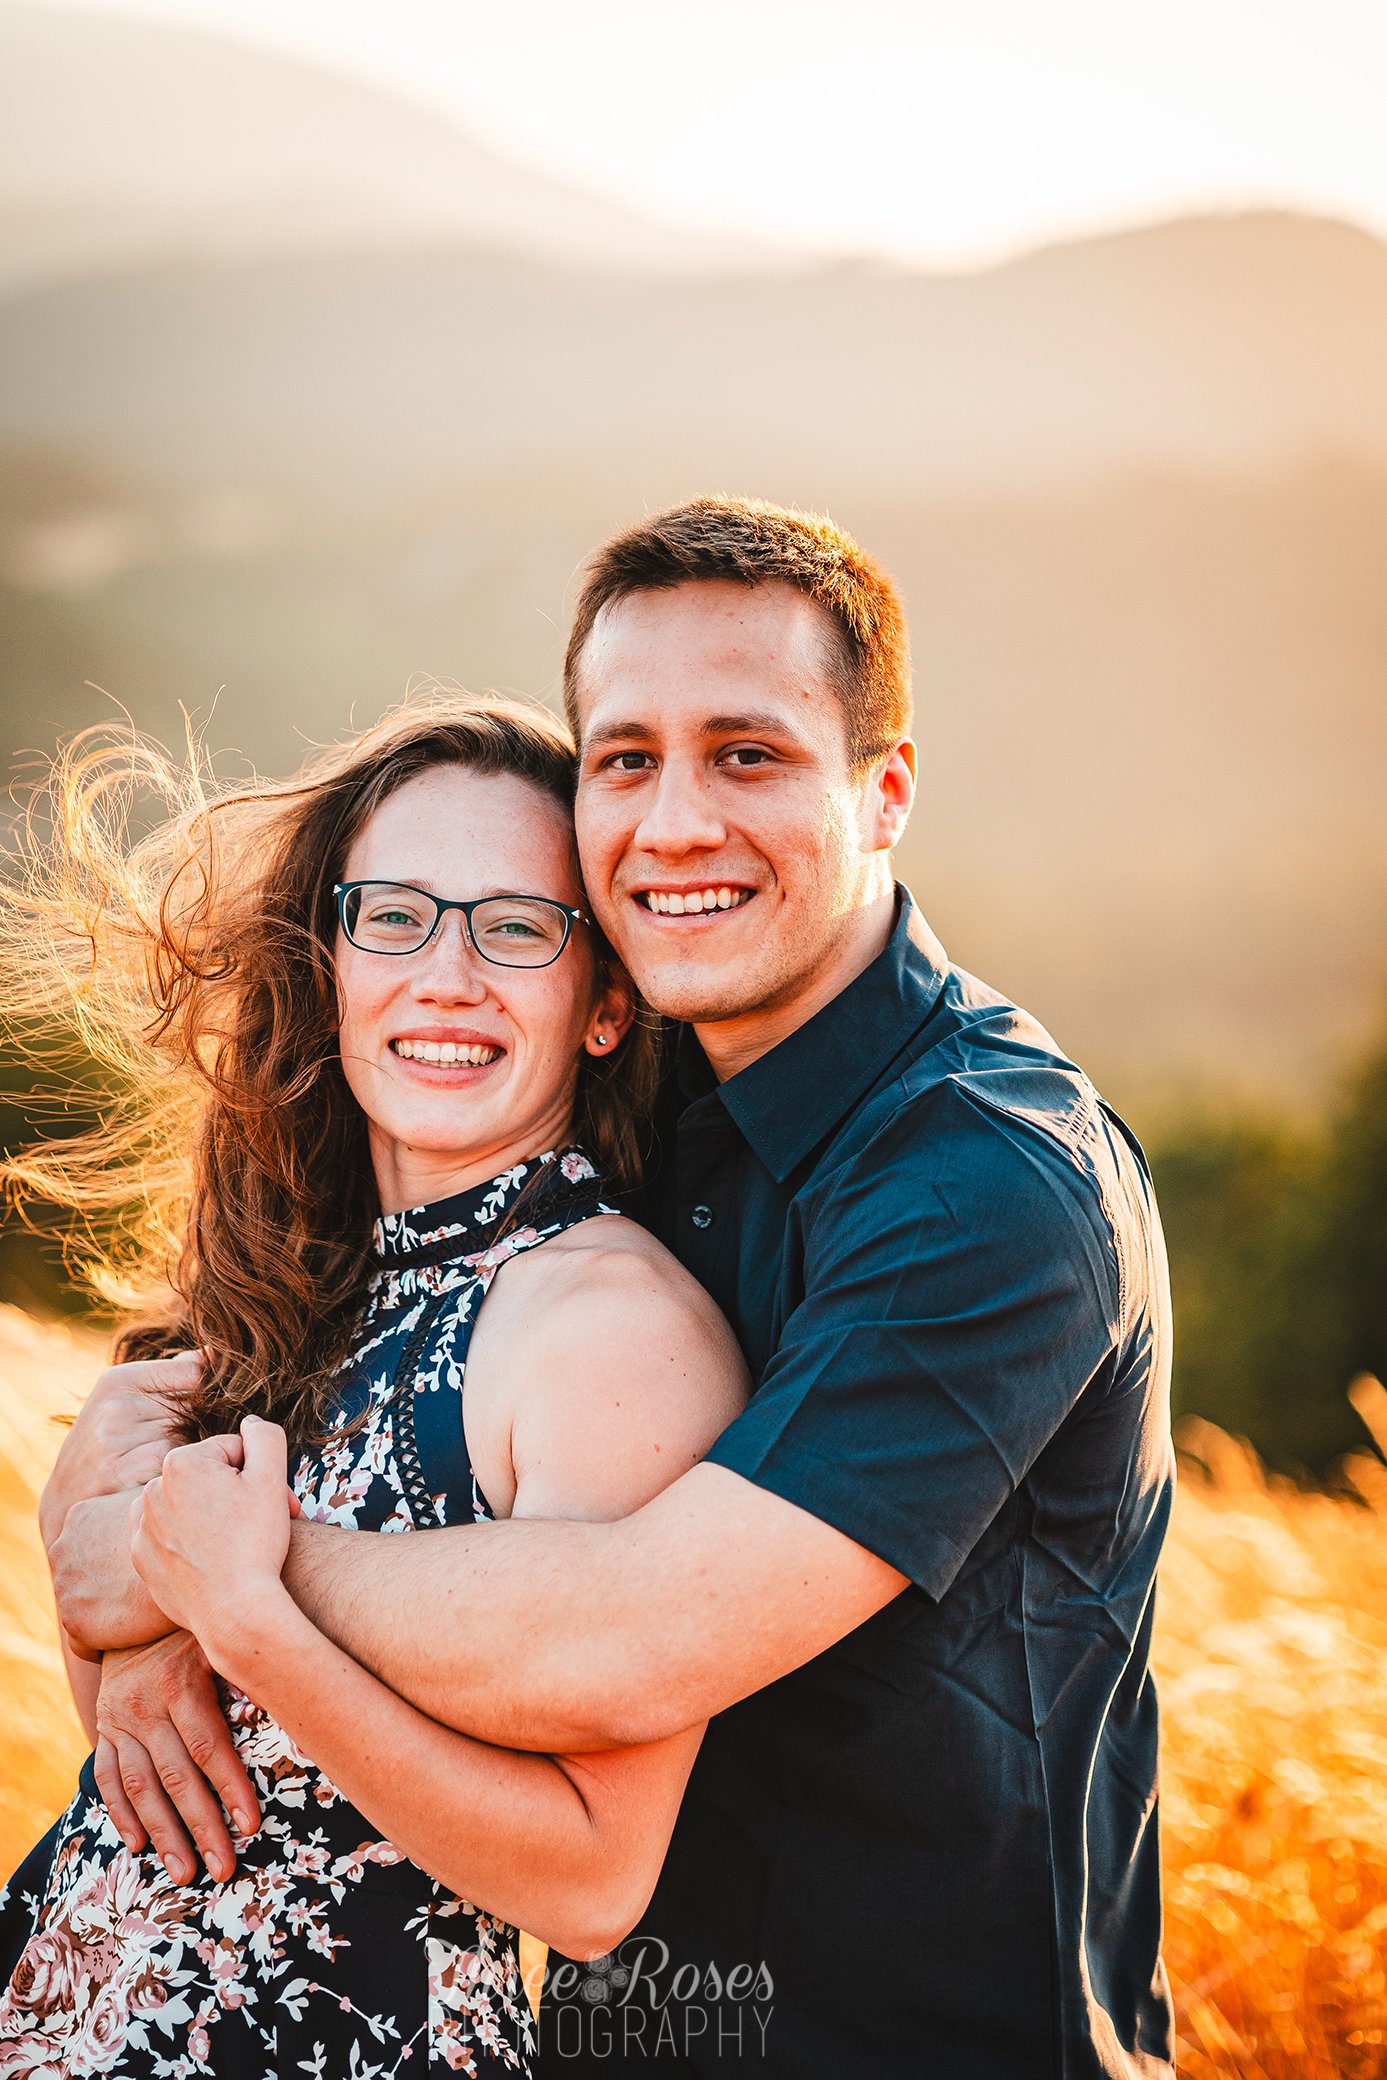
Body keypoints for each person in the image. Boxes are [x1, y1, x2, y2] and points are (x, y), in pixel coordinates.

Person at [47, 498, 1176, 2077]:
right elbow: (182, 1401)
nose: (677, 822)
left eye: (751, 753)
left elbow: (637, 1635)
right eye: (628, 759)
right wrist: (128, 1557)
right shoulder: (643, 1108)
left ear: (887, 789)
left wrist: (212, 1584)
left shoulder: (994, 1188)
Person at [0, 697, 747, 2077]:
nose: (448, 977)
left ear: (604, 1004)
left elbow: (592, 1886)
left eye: (517, 927)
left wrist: (241, 1611)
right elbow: (147, 1784)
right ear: (331, 960)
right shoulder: (291, 1292)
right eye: (394, 917)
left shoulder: (607, 1329)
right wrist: (118, 1611)